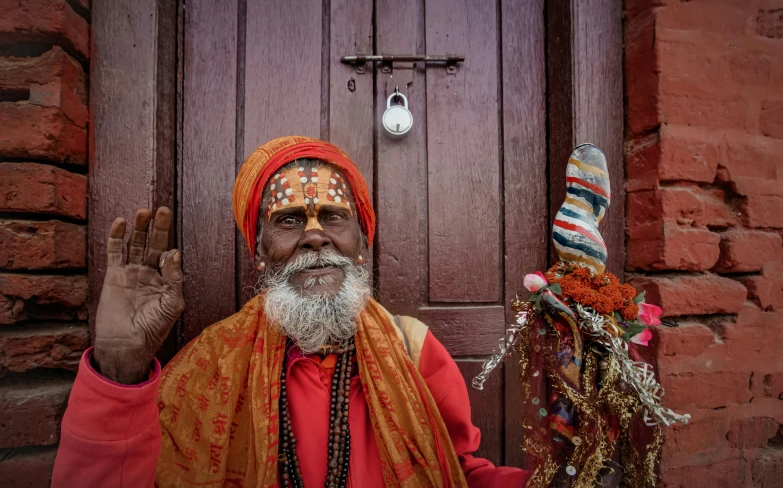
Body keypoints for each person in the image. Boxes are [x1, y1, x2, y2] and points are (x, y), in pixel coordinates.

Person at [51, 136, 531, 487]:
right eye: (289, 220)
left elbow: (457, 471)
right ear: (259, 251)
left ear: (362, 242)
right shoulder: (210, 364)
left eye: (335, 217)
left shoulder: (414, 348)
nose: (316, 236)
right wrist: (119, 369)